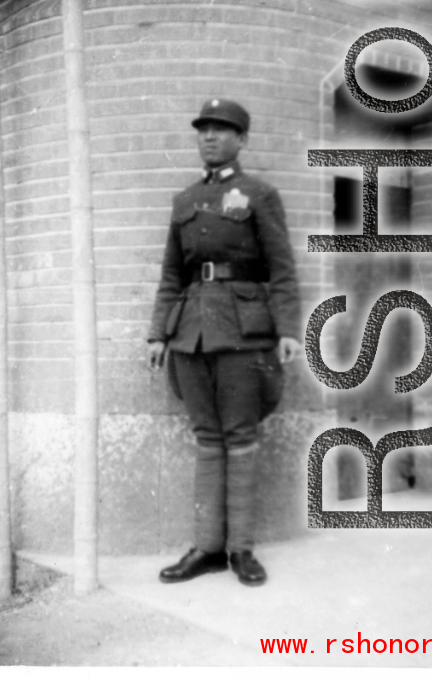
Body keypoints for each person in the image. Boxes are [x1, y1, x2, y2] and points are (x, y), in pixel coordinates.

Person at [147, 97, 301, 587]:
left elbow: (282, 270)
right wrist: (157, 333)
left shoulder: (260, 193)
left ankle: (241, 551)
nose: (209, 137)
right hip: (189, 334)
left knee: (241, 438)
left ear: (242, 139)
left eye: (221, 129)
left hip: (244, 334)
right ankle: (207, 547)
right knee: (207, 440)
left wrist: (288, 329)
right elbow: (172, 273)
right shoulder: (184, 201)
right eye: (203, 130)